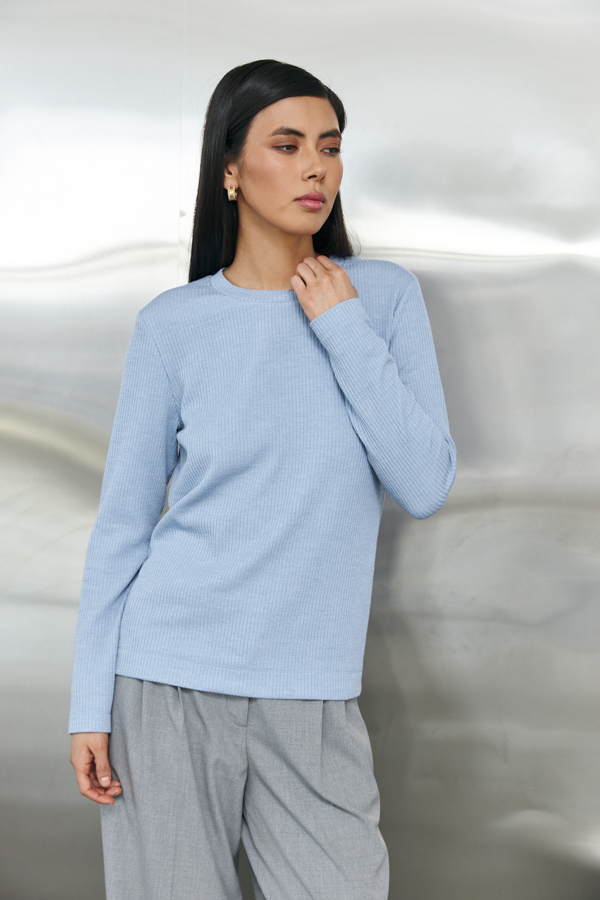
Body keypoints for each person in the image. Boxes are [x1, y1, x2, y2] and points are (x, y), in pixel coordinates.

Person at [68, 58, 456, 900]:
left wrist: (341, 326)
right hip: (165, 681)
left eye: (330, 146)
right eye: (288, 145)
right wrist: (88, 703)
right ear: (231, 171)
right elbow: (123, 525)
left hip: (312, 696)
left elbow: (425, 484)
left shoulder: (381, 298)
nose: (316, 167)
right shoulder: (173, 325)